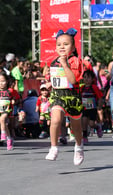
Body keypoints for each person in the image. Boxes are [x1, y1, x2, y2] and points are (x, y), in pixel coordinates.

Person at [44, 28, 84, 166]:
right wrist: (49, 82)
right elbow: (53, 77)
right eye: (59, 44)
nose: (62, 47)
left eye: (66, 44)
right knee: (55, 120)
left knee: (76, 128)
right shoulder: (52, 61)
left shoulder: (75, 61)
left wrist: (65, 64)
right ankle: (53, 148)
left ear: (73, 47)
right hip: (58, 96)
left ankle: (79, 147)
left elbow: (73, 80)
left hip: (72, 98)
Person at [0, 72, 17, 151]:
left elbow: (16, 96)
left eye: (3, 81)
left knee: (2, 120)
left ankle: (3, 134)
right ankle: (9, 139)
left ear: (7, 81)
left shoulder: (10, 90)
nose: (1, 83)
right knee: (3, 123)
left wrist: (13, 100)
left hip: (7, 109)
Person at [80, 69, 104, 144]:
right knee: (83, 121)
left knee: (91, 124)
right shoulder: (82, 88)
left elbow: (100, 97)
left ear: (92, 79)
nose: (86, 79)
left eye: (88, 77)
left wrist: (99, 106)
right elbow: (79, 97)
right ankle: (84, 136)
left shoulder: (94, 87)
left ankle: (97, 127)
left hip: (92, 108)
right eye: (85, 77)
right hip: (84, 108)